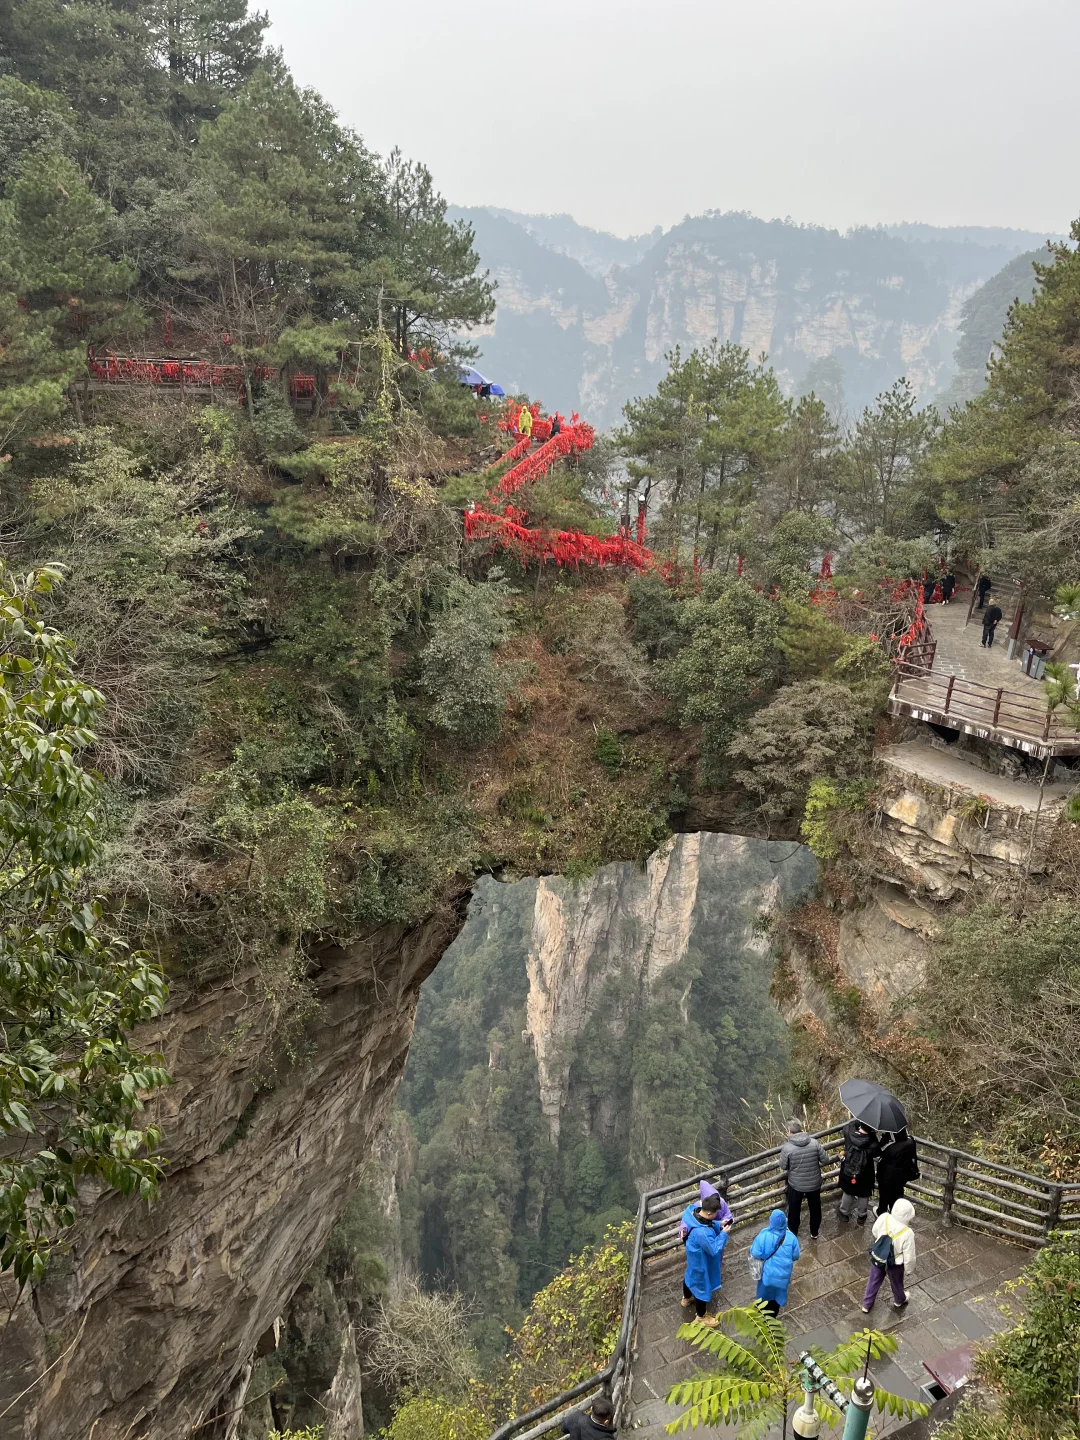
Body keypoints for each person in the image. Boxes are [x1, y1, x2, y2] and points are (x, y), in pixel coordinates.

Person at [861, 1197, 916, 1314]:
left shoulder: (884, 1217)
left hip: (879, 1256)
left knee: (873, 1280)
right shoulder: (907, 1232)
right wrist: (909, 1269)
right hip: (895, 1262)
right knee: (896, 1282)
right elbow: (909, 1254)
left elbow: (874, 1231)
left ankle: (867, 1304)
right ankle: (899, 1300)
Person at [681, 1193, 729, 1326]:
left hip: (693, 1254)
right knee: (702, 1285)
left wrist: (718, 1224)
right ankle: (701, 1317)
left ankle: (686, 1298)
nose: (715, 1216)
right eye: (714, 1214)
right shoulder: (702, 1233)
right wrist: (723, 1234)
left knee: (690, 1274)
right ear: (708, 1213)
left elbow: (708, 1222)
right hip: (701, 1258)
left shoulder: (693, 1213)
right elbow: (713, 1248)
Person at [779, 1119, 826, 1240]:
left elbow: (783, 1166)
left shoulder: (787, 1148)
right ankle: (814, 1232)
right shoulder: (814, 1143)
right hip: (814, 1183)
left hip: (796, 1184)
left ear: (789, 1131)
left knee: (794, 1209)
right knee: (815, 1208)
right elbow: (826, 1159)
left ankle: (793, 1232)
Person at [749, 1209, 801, 1317]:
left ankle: (763, 1316)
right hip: (783, 1275)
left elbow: (755, 1253)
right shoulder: (791, 1237)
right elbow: (796, 1256)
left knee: (764, 1294)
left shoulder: (763, 1236)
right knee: (777, 1295)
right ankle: (773, 1317)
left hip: (767, 1274)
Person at [837, 1118, 879, 1225]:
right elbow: (877, 1152)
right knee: (864, 1193)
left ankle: (844, 1212)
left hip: (848, 1168)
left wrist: (858, 1120)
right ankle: (862, 1215)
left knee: (848, 1191)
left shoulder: (849, 1133)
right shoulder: (872, 1141)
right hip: (865, 1171)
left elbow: (847, 1126)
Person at [877, 1128, 920, 1215]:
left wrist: (884, 1139)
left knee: (884, 1198)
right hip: (901, 1176)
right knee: (897, 1196)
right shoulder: (911, 1141)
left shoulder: (890, 1148)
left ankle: (882, 1214)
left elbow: (878, 1151)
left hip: (886, 1176)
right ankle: (896, 1215)